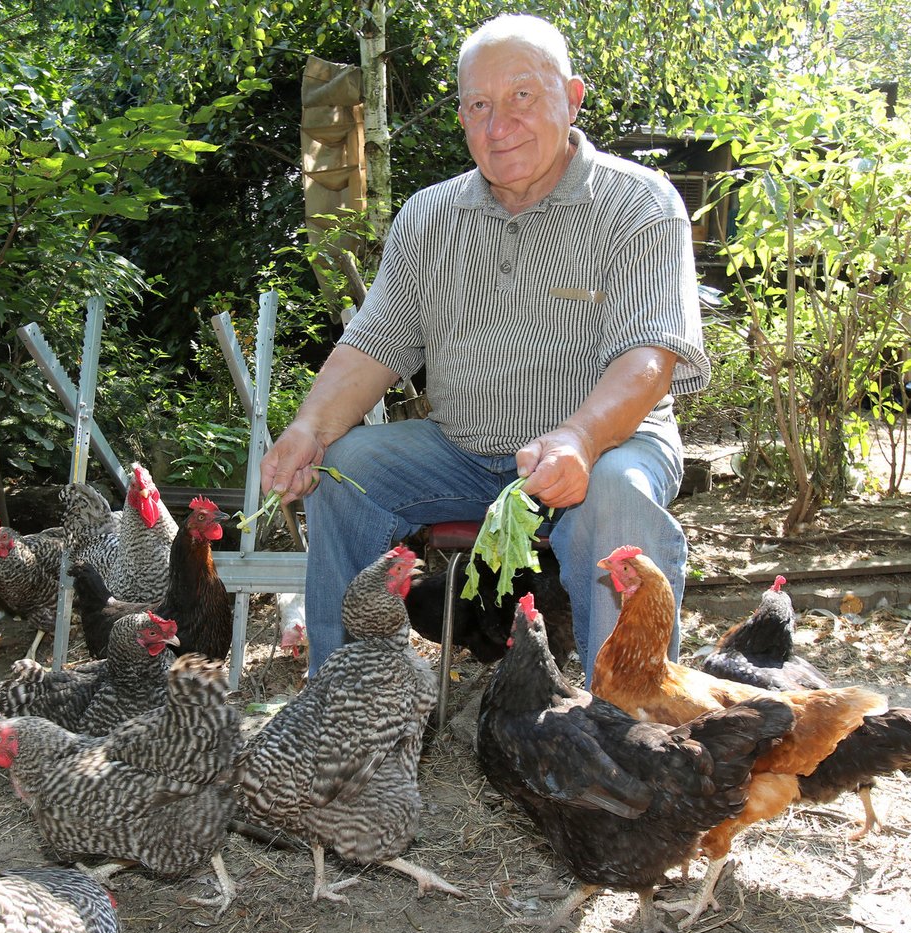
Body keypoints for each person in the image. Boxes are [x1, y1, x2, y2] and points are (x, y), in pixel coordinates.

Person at [261, 12, 709, 682]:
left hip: (609, 447)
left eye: (522, 97)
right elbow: (372, 345)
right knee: (345, 469)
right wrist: (307, 428)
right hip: (461, 452)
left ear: (573, 96)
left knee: (619, 494)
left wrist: (580, 441)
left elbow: (649, 359)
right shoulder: (428, 216)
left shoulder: (637, 203)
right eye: (478, 106)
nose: (499, 126)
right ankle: (340, 705)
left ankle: (627, 730)